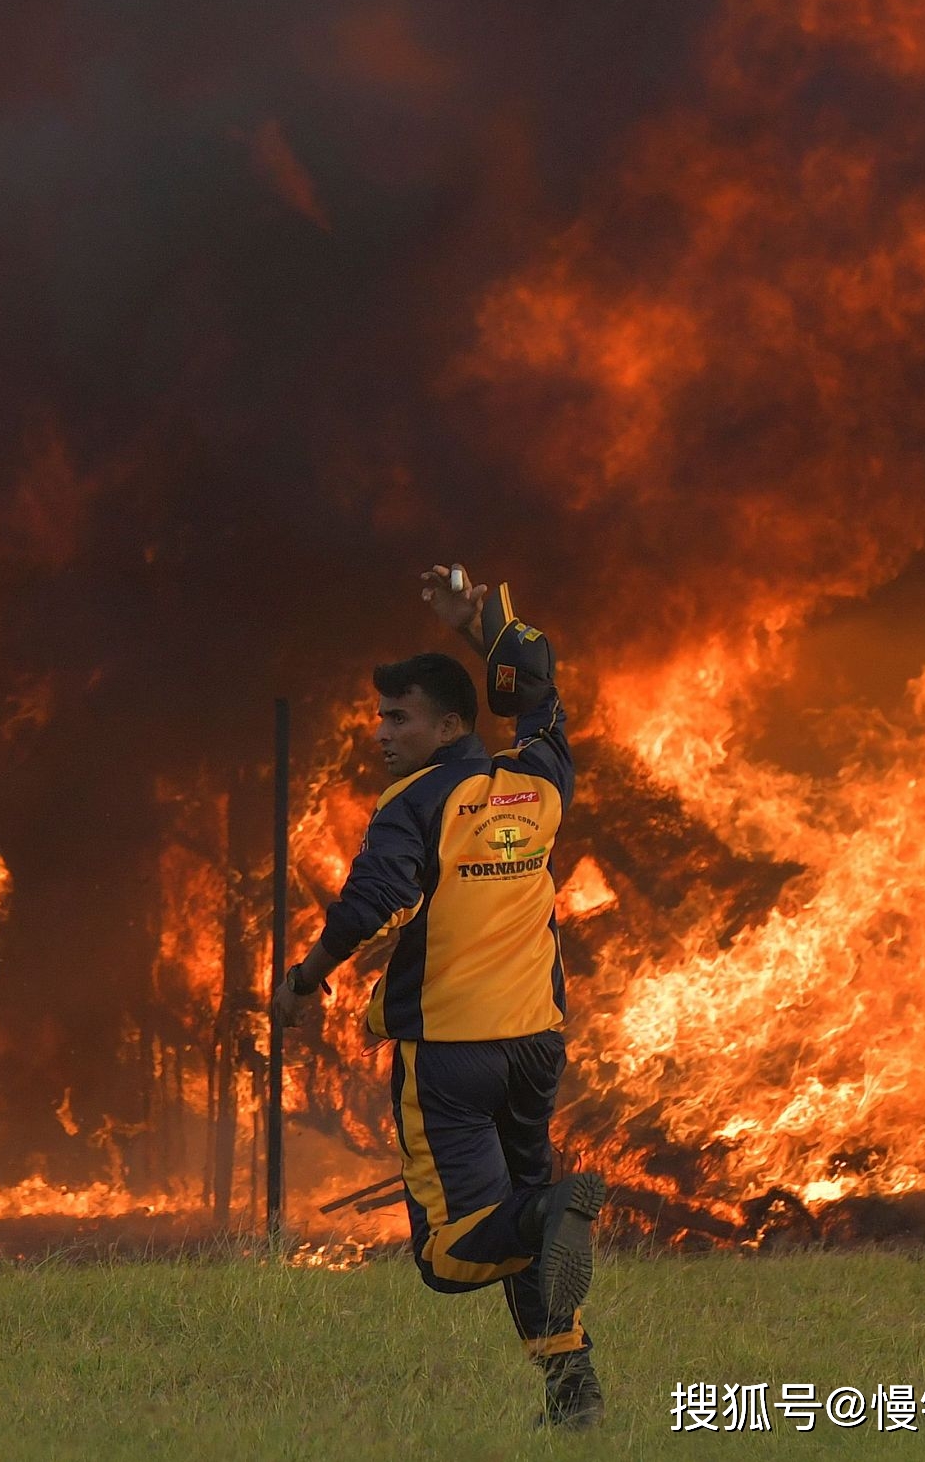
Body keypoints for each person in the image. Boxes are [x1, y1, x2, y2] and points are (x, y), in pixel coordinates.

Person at [272, 566, 607, 1430]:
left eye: (399, 716)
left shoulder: (415, 803)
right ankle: (573, 1393)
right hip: (536, 1043)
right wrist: (478, 622)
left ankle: (548, 1209)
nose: (381, 732)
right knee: (531, 1233)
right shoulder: (541, 779)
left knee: (453, 1254)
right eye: (381, 714)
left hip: (451, 1054)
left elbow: (368, 902)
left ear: (450, 724)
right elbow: (539, 693)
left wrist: (308, 977)